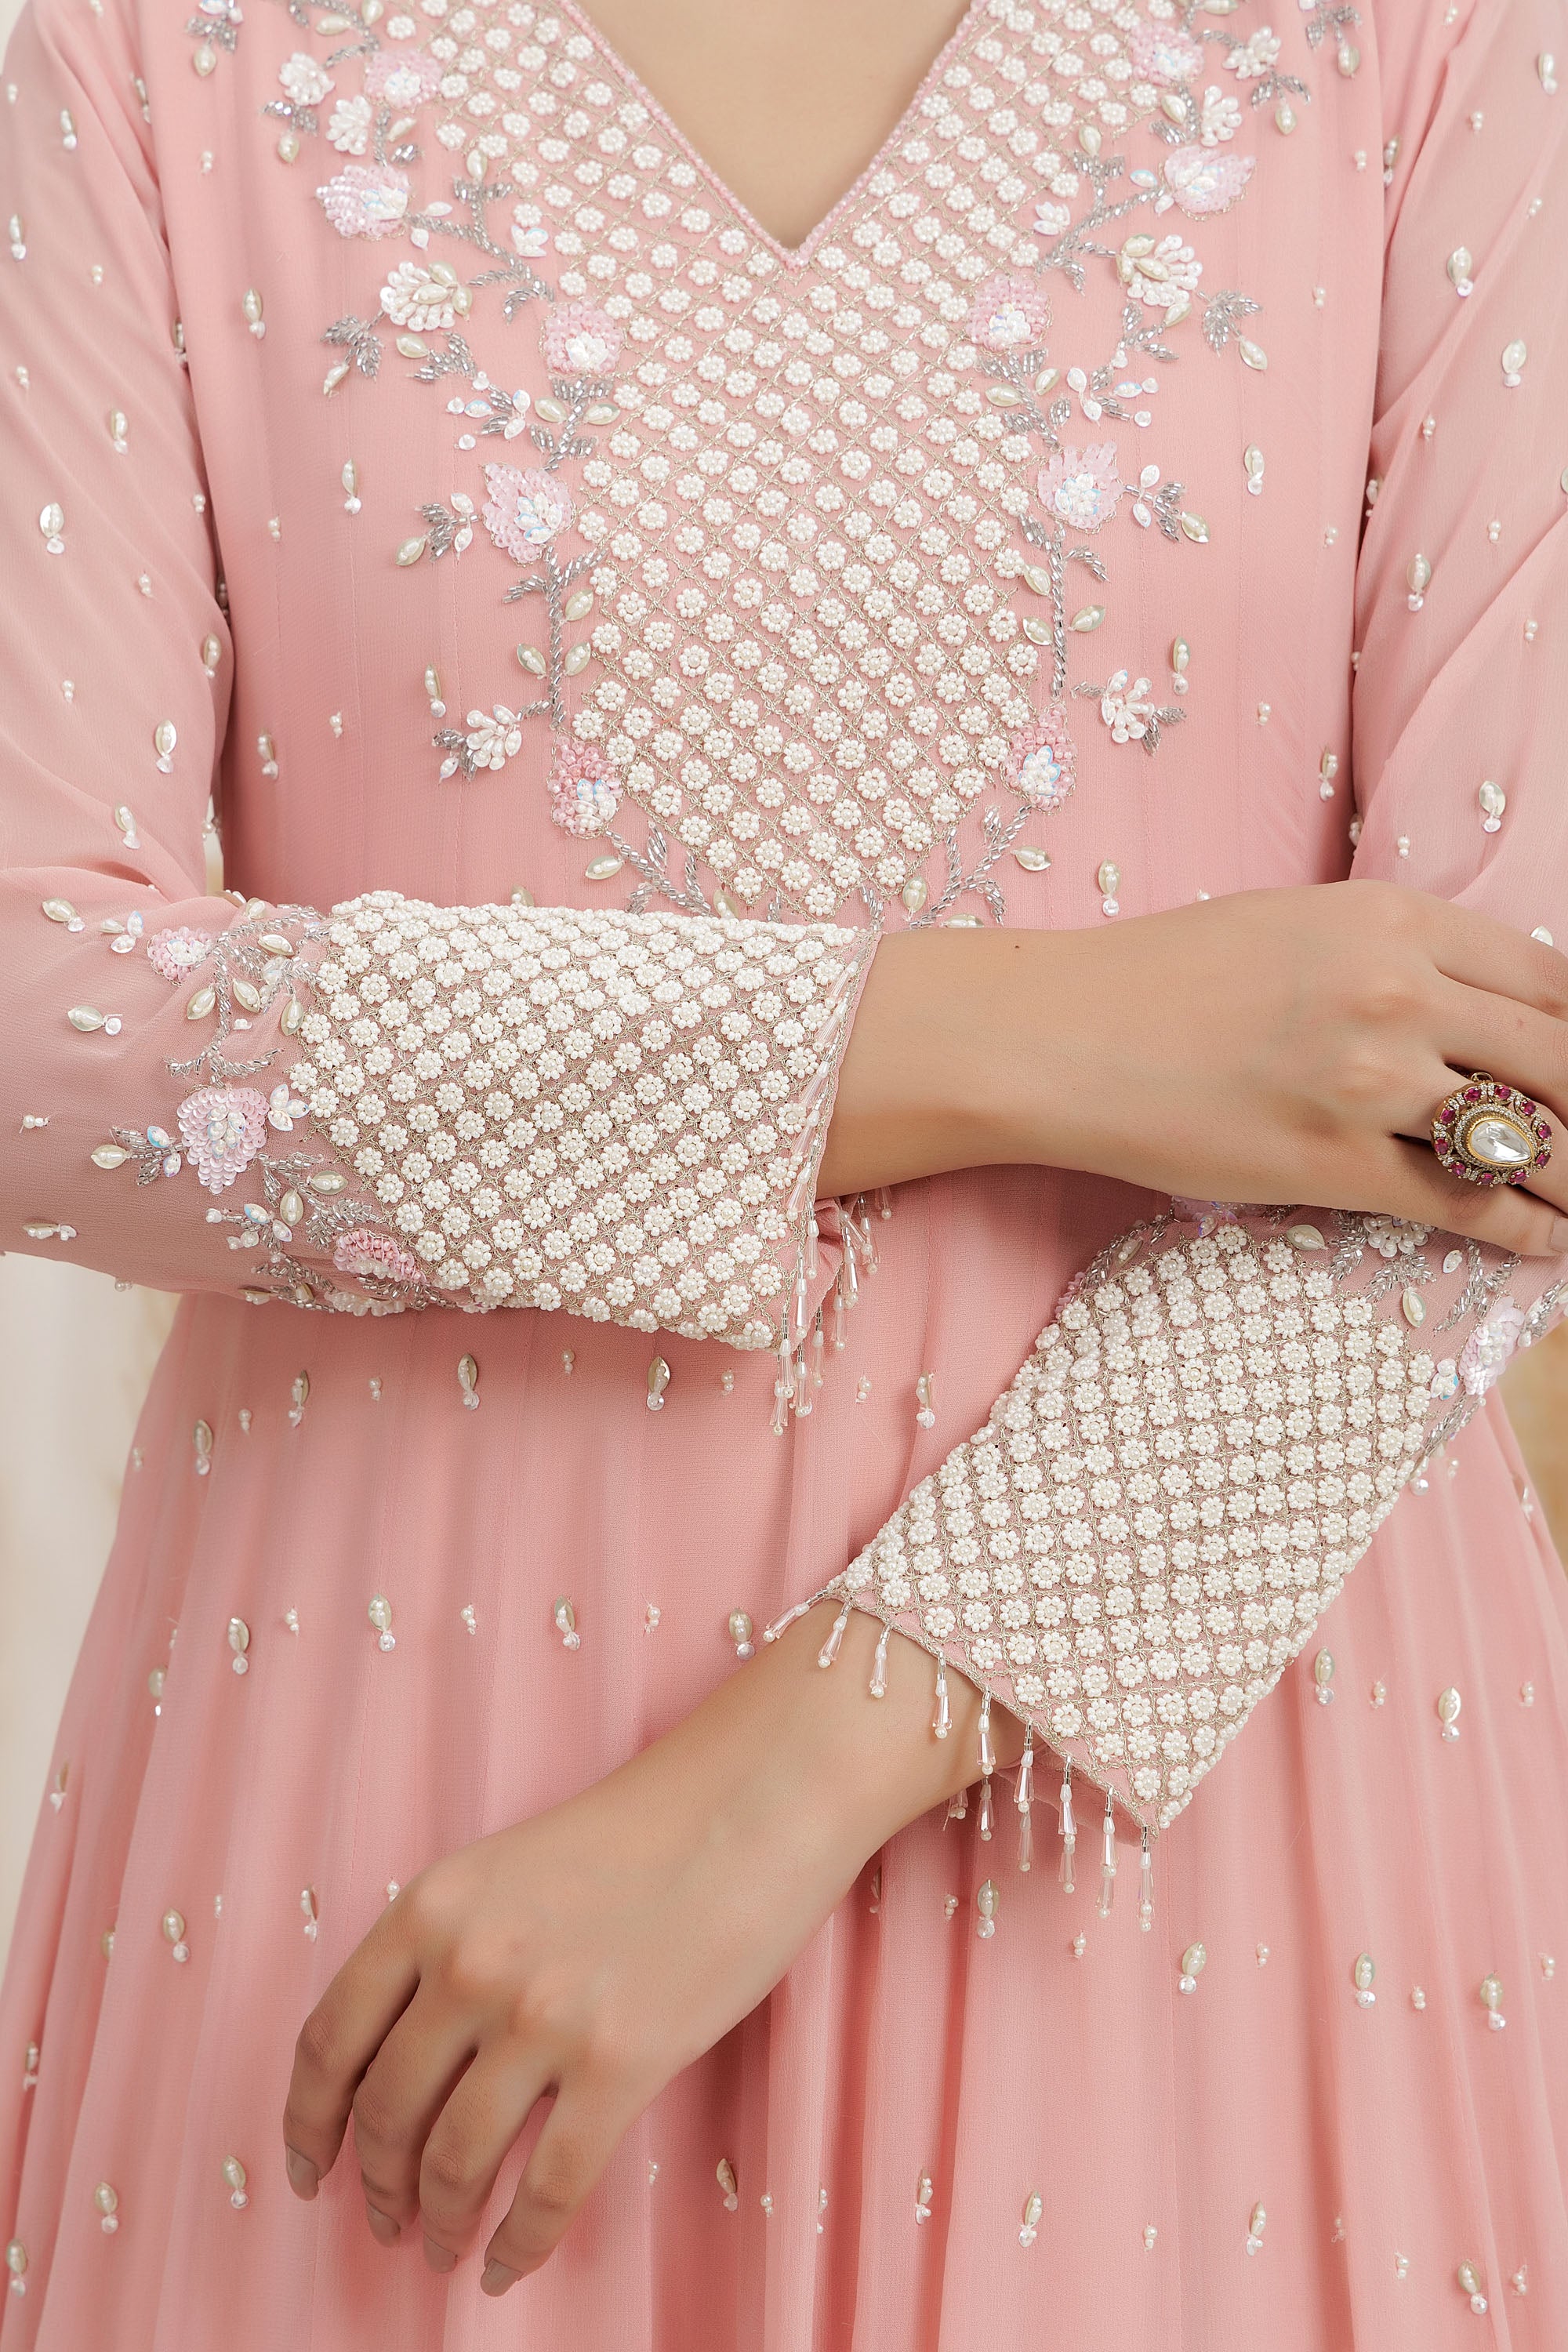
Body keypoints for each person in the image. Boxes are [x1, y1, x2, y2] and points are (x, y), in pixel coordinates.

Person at [2, 0, 1566, 2340]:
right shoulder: (133, 53)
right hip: (390, 1817)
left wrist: (773, 1788)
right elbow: (44, 1017)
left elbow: (1507, 1113)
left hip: (1199, 1752)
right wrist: (1030, 1031)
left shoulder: (1437, 46)